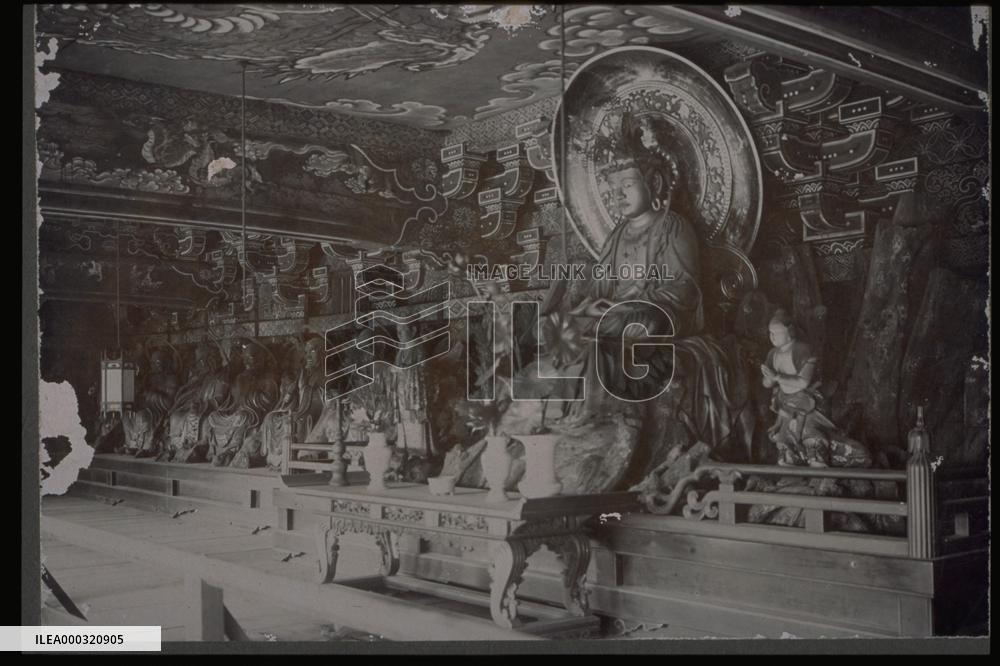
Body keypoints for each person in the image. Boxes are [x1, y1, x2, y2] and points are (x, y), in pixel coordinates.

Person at [761, 310, 870, 467]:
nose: (772, 337)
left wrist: (777, 377)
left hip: (808, 402)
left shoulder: (802, 350)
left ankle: (818, 461)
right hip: (785, 403)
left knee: (811, 436)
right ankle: (790, 461)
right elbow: (767, 384)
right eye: (770, 333)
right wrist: (769, 378)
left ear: (790, 332)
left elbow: (803, 382)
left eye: (777, 333)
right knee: (783, 438)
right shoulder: (772, 354)